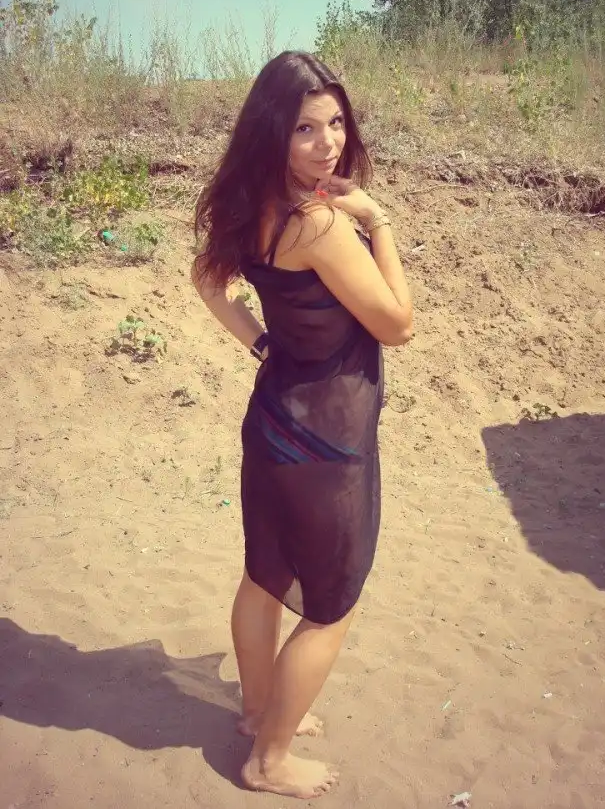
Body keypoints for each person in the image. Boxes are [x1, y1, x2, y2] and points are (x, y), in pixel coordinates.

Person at [191, 50, 412, 799]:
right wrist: (377, 221)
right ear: (273, 132)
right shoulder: (317, 224)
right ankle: (268, 760)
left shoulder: (252, 202)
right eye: (306, 129)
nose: (329, 144)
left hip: (271, 426)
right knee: (329, 608)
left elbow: (206, 282)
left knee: (264, 579)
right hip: (326, 445)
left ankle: (259, 714)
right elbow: (397, 323)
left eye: (337, 123)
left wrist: (262, 343)